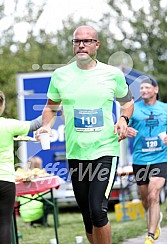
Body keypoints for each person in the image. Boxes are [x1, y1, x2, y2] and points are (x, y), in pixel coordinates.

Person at [36, 25, 134, 244]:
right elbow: (50, 107)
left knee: (98, 210)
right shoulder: (60, 75)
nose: (81, 45)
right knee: (88, 217)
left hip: (104, 150)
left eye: (87, 41)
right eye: (77, 41)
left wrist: (123, 119)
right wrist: (46, 126)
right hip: (76, 152)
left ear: (96, 44)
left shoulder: (112, 74)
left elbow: (127, 102)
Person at [127, 76, 167, 244]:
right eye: (141, 88)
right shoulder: (133, 109)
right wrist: (125, 130)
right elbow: (120, 128)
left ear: (155, 90)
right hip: (140, 159)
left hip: (160, 158)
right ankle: (154, 221)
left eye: (147, 88)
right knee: (145, 199)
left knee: (153, 194)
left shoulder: (165, 108)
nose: (143, 91)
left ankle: (150, 236)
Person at [0, 91, 42, 244]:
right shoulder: (7, 124)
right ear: (2, 105)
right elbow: (36, 124)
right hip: (5, 180)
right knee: (4, 223)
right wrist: (54, 106)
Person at [18, 156, 49, 227]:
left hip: (24, 213)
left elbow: (18, 198)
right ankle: (44, 222)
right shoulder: (42, 177)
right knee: (48, 202)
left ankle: (29, 223)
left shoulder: (23, 176)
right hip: (38, 212)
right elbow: (46, 194)